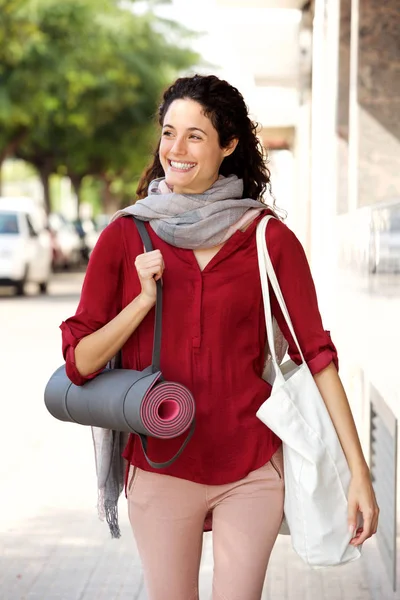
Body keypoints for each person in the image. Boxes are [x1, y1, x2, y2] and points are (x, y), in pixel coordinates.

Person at [61, 74, 379, 600]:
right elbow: (80, 362)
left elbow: (317, 356)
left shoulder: (266, 238)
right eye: (168, 133)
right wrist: (141, 301)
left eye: (195, 136)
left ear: (227, 146)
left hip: (251, 467)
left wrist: (359, 472)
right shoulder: (126, 235)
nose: (176, 150)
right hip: (160, 464)